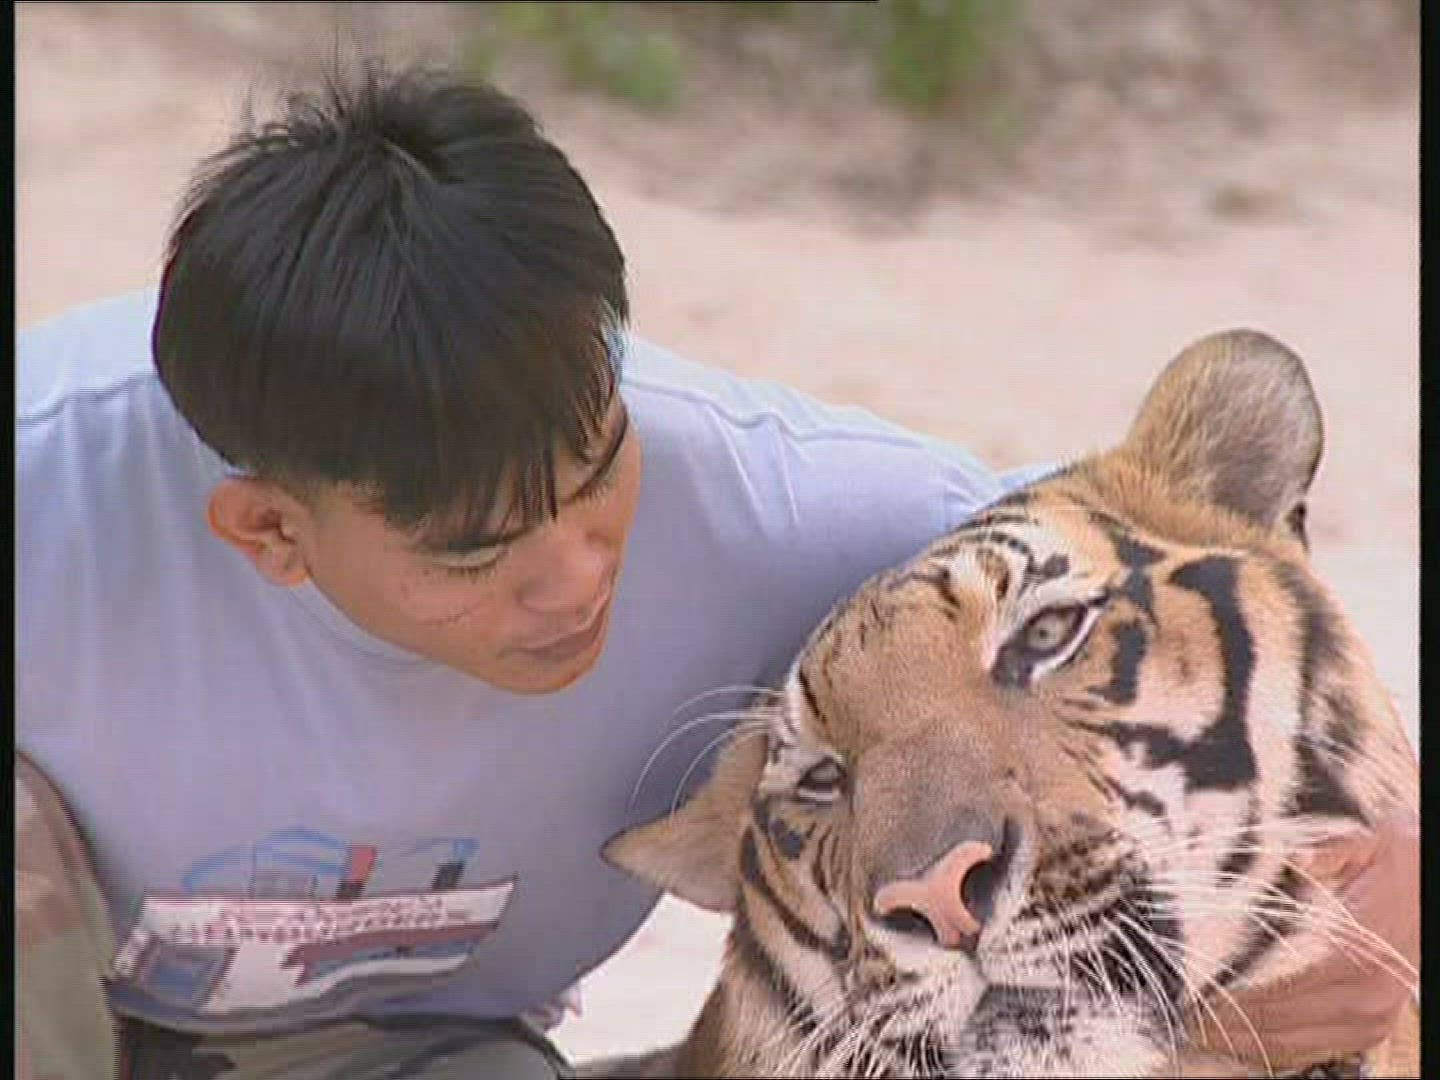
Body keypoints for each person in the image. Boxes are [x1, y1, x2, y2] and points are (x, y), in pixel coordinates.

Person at [16, 61, 1417, 1079]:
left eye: (598, 476)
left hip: (408, 1051)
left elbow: (1194, 594)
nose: (577, 577)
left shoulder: (784, 511)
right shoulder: (47, 498)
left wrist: (1391, 891)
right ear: (270, 532)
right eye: (480, 551)